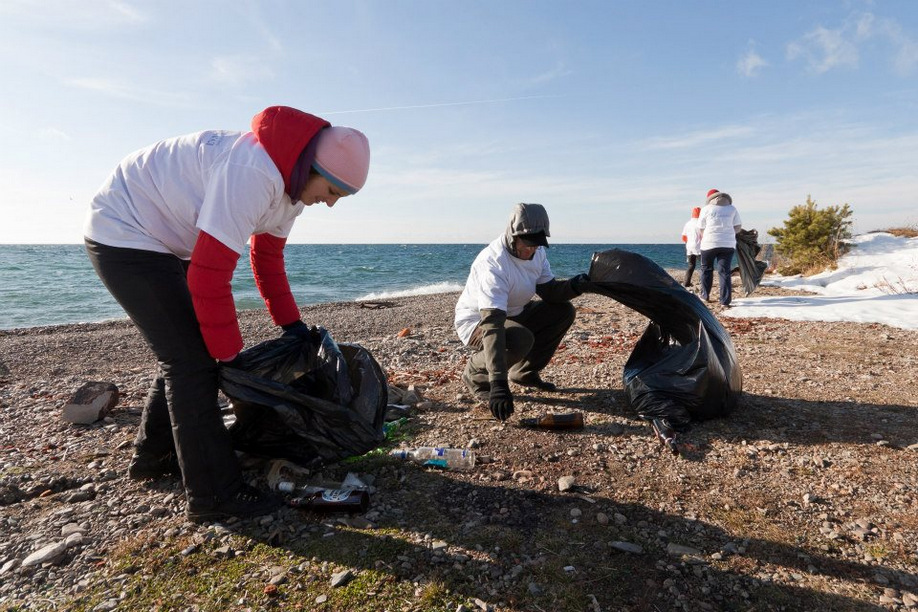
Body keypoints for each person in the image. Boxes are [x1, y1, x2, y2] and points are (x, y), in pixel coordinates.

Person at [83, 106, 370, 522]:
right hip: (124, 230)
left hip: (168, 241)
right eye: (332, 191)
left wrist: (292, 326)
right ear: (312, 167)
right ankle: (214, 496)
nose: (329, 204)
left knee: (187, 353)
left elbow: (267, 260)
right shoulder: (253, 173)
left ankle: (156, 455)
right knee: (192, 363)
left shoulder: (291, 190)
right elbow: (209, 278)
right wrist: (230, 358)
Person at [454, 203, 590, 421]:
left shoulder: (537, 252)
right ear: (512, 235)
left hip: (515, 313)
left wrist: (579, 285)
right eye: (526, 244)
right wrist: (498, 383)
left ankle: (524, 372)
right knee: (520, 339)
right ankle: (475, 373)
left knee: (563, 311)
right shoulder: (494, 263)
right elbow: (493, 324)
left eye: (536, 244)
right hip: (478, 322)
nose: (531, 250)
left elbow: (550, 292)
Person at [698, 188, 742, 307]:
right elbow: (738, 227)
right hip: (728, 244)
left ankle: (705, 296)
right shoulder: (732, 209)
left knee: (706, 269)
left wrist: (706, 236)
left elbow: (701, 227)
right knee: (724, 272)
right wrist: (728, 233)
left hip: (709, 243)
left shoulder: (706, 209)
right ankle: (725, 301)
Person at [681, 206, 702, 287]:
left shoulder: (688, 224)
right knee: (703, 265)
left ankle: (686, 282)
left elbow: (683, 237)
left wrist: (689, 242)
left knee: (691, 265)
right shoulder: (701, 223)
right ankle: (702, 282)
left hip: (689, 247)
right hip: (700, 247)